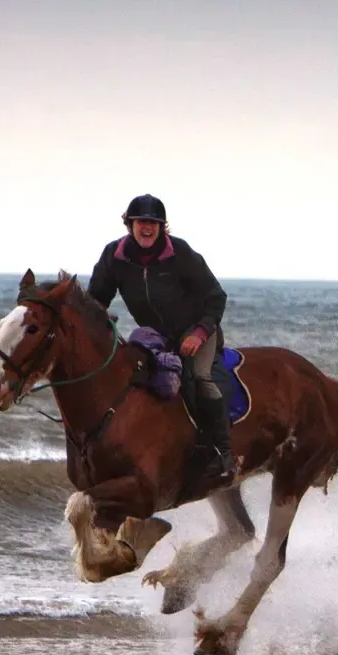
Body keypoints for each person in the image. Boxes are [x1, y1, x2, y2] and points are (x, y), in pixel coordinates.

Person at [88, 194, 233, 484]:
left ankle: (222, 453)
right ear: (129, 224)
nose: (147, 228)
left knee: (198, 376)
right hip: (158, 337)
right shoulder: (114, 256)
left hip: (199, 332)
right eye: (142, 222)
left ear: (162, 227)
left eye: (154, 223)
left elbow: (216, 297)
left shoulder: (180, 253)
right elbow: (96, 300)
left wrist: (199, 333)